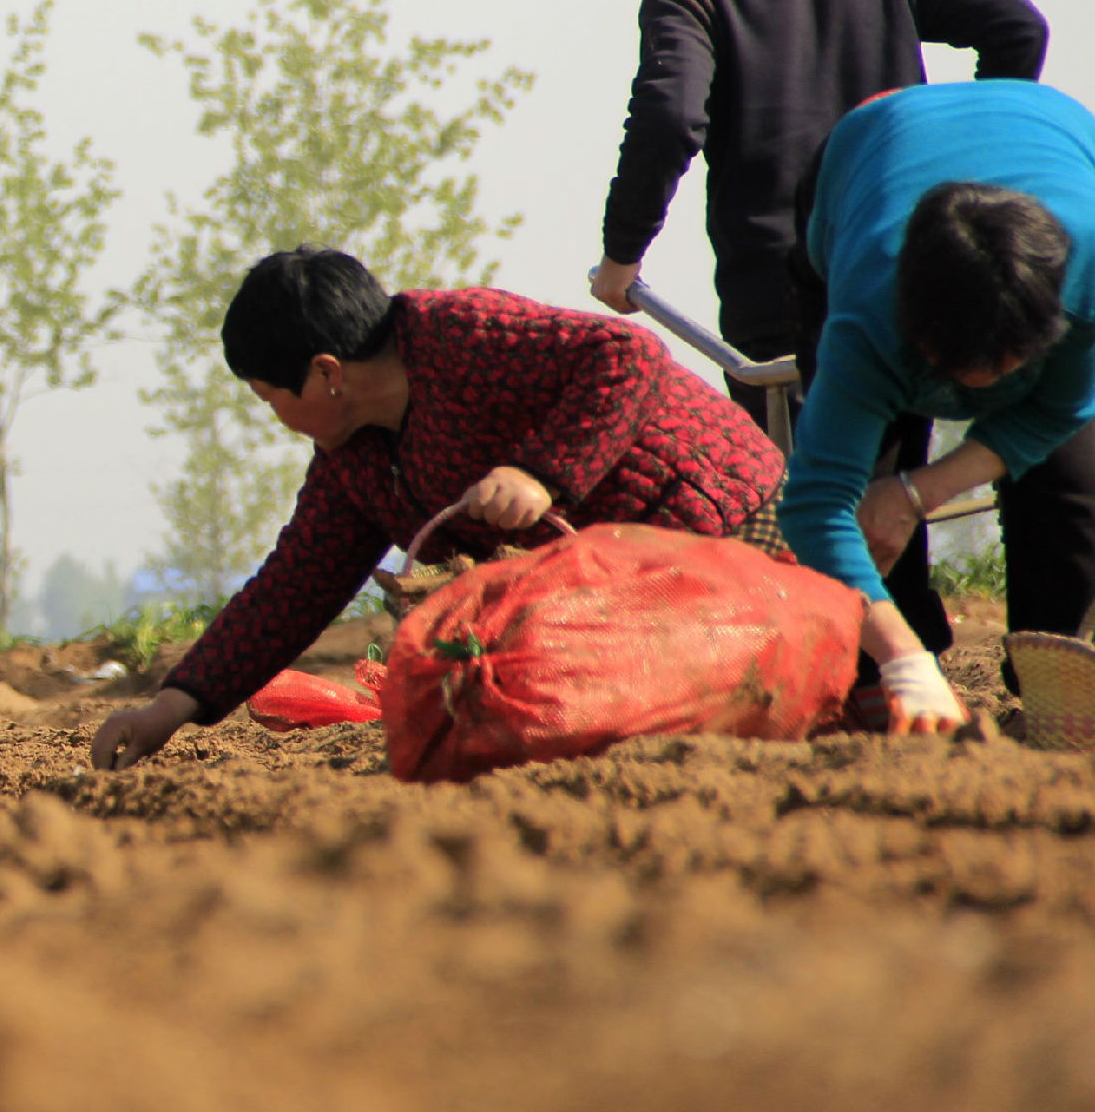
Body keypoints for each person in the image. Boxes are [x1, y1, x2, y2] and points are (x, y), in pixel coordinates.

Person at [589, 0, 1060, 645]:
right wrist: (971, 177)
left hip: (779, 290)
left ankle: (871, 670)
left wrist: (623, 254)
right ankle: (904, 661)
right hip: (908, 265)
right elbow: (1017, 27)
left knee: (807, 497)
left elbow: (669, 115)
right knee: (884, 473)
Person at [89, 250, 788, 770]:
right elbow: (293, 585)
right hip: (630, 585)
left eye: (271, 397)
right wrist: (174, 704)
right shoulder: (351, 465)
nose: (276, 417)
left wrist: (539, 474)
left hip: (731, 520)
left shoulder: (457, 334)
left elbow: (626, 353)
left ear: (327, 373)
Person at [778, 81, 1095, 734]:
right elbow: (816, 503)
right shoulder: (865, 309)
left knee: (1069, 490)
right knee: (866, 490)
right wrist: (903, 661)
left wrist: (920, 492)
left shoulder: (1087, 274)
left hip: (1048, 127)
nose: (978, 386)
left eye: (1007, 365)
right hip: (869, 145)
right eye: (956, 368)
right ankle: (882, 680)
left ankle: (1048, 684)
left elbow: (1058, 412)